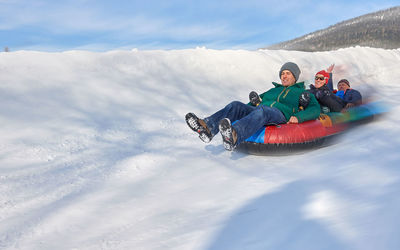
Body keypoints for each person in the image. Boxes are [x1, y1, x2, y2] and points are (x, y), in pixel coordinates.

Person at [185, 62, 321, 151]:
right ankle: (207, 128)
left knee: (263, 110)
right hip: (262, 110)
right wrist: (241, 112)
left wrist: (298, 117)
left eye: (288, 73)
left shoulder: (302, 92)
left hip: (280, 114)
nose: (284, 76)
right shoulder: (272, 90)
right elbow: (253, 104)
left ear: (295, 77)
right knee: (236, 105)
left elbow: (315, 109)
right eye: (282, 73)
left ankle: (234, 135)